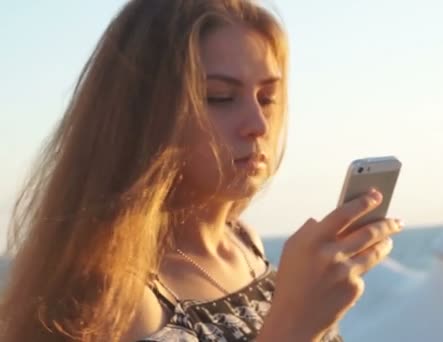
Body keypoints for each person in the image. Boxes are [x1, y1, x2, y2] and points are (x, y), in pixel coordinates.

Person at [0, 0, 404, 341]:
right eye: (220, 97)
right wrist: (293, 327)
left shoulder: (244, 243)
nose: (258, 125)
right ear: (143, 116)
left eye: (267, 97)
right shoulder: (114, 298)